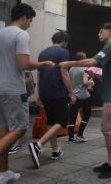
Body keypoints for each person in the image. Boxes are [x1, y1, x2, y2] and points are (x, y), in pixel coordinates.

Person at [0, 3, 55, 184]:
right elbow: (23, 64)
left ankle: (4, 172)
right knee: (19, 128)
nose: (30, 24)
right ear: (23, 17)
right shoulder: (21, 34)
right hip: (12, 89)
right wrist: (43, 64)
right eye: (30, 20)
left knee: (4, 129)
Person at [59, 22, 111, 179]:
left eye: (101, 31)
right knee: (106, 129)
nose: (98, 34)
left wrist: (69, 63)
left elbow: (92, 61)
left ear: (110, 32)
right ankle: (110, 162)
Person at [28, 31, 76, 169]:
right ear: (65, 42)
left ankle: (55, 151)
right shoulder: (63, 52)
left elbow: (39, 73)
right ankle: (38, 145)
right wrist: (71, 93)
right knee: (62, 121)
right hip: (58, 92)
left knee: (51, 122)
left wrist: (39, 94)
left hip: (45, 92)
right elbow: (64, 73)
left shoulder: (43, 53)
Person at [67, 51, 94, 143]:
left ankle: (70, 137)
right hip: (84, 96)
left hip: (73, 95)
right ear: (82, 59)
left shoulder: (71, 69)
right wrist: (91, 81)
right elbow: (85, 82)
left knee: (72, 116)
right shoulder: (85, 69)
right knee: (86, 114)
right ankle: (80, 134)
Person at [8, 71, 36, 155]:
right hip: (18, 95)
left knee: (16, 119)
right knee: (17, 120)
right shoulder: (20, 64)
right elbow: (27, 79)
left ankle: (14, 144)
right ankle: (14, 144)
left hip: (18, 95)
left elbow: (27, 79)